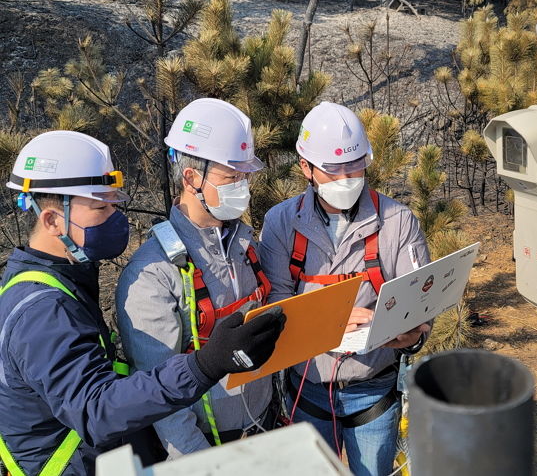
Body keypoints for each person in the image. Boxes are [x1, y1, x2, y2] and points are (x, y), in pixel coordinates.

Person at [0, 130, 285, 476]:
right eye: (100, 206)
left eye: (113, 203)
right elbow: (96, 412)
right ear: (52, 220)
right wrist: (203, 365)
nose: (114, 216)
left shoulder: (62, 283)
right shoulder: (44, 311)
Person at [259, 101, 431, 476]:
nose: (346, 178)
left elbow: (421, 302)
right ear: (305, 167)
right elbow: (274, 302)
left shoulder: (397, 222)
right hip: (307, 390)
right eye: (333, 169)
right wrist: (328, 320)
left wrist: (412, 334)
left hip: (372, 389)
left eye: (355, 165)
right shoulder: (282, 223)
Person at [116, 98, 278, 457]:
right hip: (210, 446)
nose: (244, 186)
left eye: (245, 175)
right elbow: (161, 400)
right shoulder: (154, 274)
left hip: (265, 427)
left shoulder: (244, 244)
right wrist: (202, 465)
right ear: (191, 178)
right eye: (231, 177)